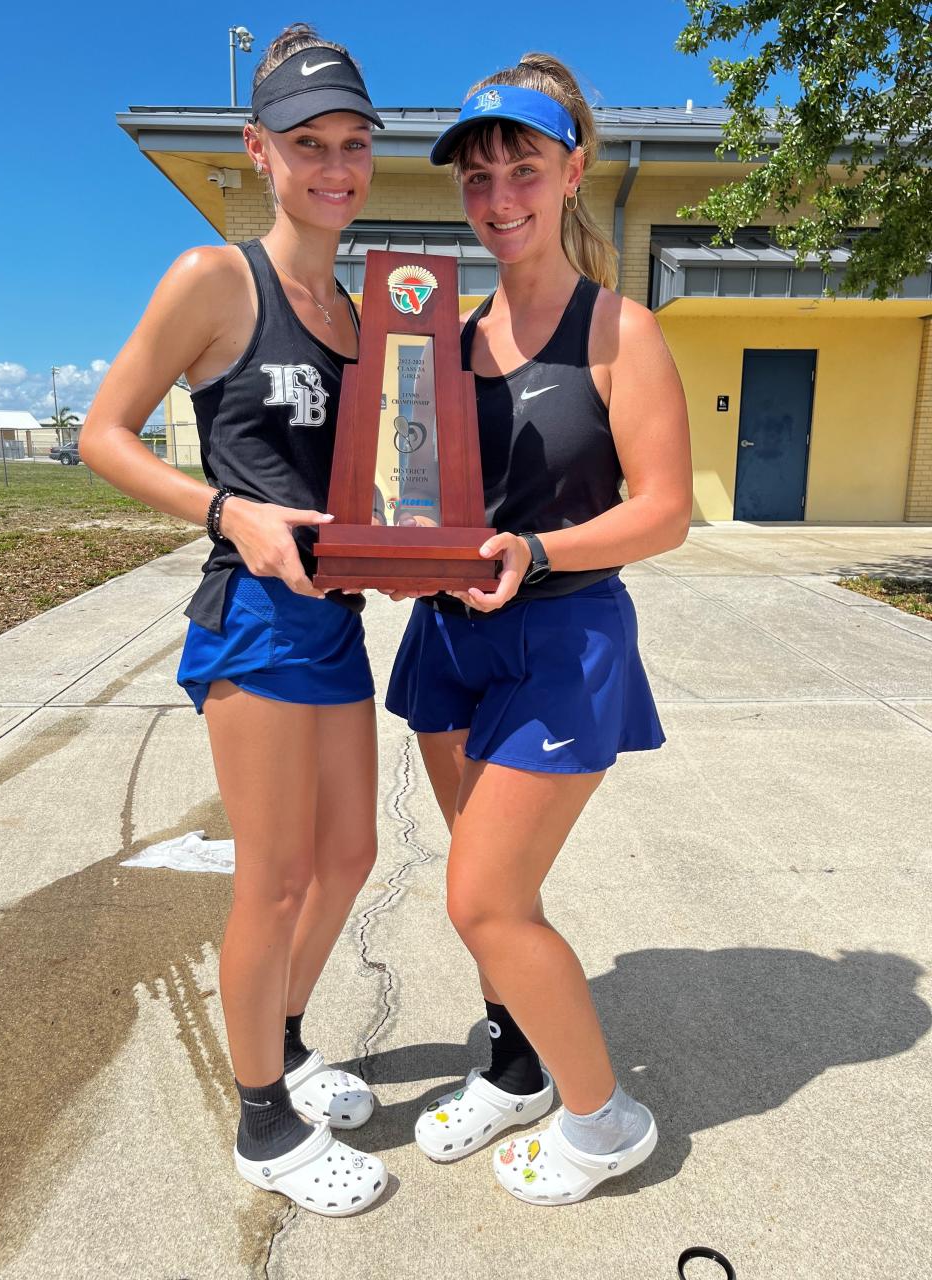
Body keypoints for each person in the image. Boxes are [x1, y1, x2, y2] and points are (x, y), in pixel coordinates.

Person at [81, 24, 390, 1217]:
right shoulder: (217, 280)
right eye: (308, 143)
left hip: (336, 623)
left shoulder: (368, 315)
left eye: (353, 144)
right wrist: (230, 509)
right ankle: (263, 1120)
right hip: (253, 617)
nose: (335, 166)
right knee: (270, 877)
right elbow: (101, 434)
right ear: (259, 151)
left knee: (350, 854)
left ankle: (287, 1039)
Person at [385, 54, 692, 1205]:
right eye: (478, 174)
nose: (498, 193)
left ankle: (605, 1118)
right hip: (454, 645)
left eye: (522, 166)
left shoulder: (620, 329)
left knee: (483, 895)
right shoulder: (443, 346)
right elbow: (419, 497)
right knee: (494, 889)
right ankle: (517, 1058)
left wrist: (540, 552)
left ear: (571, 172)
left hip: (566, 640)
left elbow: (665, 508)